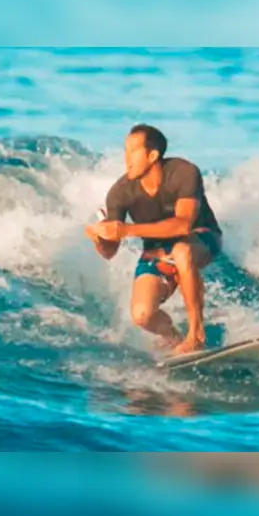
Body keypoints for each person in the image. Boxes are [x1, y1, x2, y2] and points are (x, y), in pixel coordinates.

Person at [86, 124, 222, 356]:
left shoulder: (184, 172)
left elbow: (183, 224)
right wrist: (101, 240)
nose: (126, 158)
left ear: (152, 155)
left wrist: (126, 230)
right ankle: (174, 339)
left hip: (201, 237)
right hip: (156, 250)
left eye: (133, 151)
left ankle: (196, 335)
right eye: (125, 151)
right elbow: (110, 252)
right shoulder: (120, 192)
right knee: (142, 315)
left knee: (181, 251)